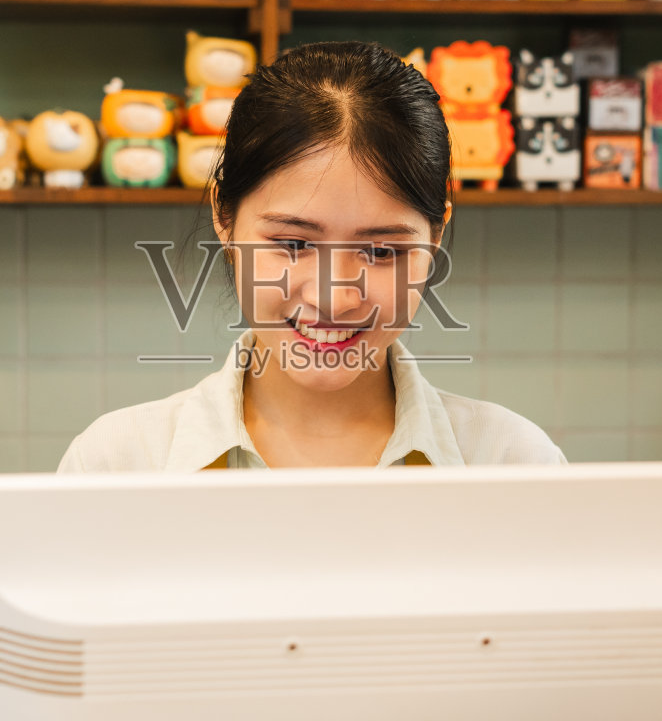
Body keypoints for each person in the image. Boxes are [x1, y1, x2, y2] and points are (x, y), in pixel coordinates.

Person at [58, 40, 565, 471]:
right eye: (294, 244)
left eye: (382, 249)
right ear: (225, 218)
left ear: (433, 240)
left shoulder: (514, 464)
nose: (335, 297)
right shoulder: (115, 465)